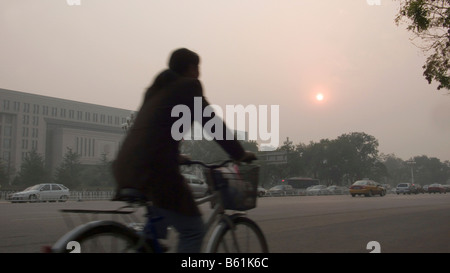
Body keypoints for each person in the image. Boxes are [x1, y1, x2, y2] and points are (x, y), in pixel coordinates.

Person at [112, 48, 256, 253]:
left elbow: (156, 129)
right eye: (198, 68)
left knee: (154, 232)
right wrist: (239, 154)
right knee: (193, 231)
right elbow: (211, 123)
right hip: (156, 171)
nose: (199, 74)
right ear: (191, 68)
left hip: (125, 167)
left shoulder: (156, 91)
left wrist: (176, 155)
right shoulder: (188, 86)